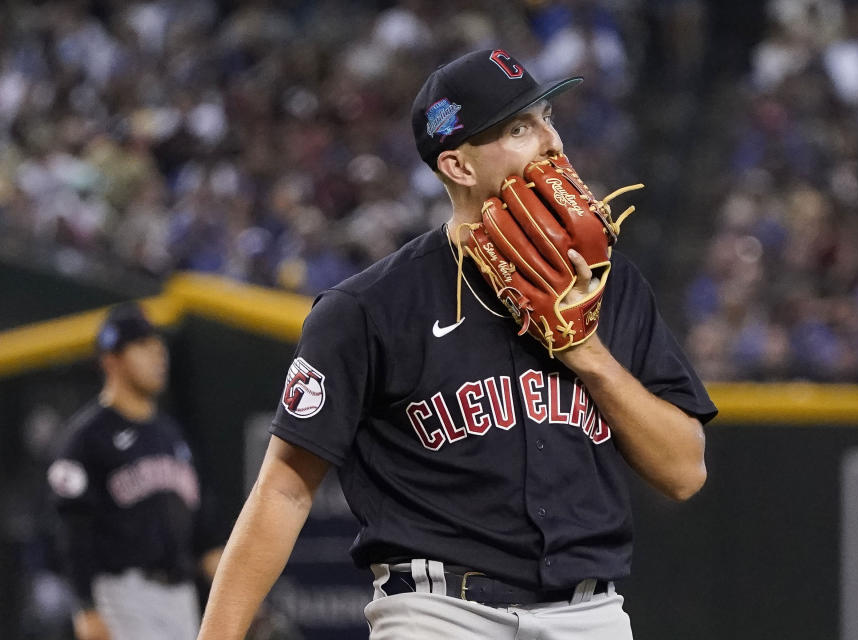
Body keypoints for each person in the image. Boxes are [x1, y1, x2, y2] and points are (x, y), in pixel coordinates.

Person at [198, 48, 717, 640]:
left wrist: (586, 353)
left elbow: (684, 471)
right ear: (459, 167)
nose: (553, 143)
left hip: (588, 613)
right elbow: (285, 489)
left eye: (548, 116)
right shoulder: (369, 310)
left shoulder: (612, 284)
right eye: (521, 128)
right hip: (439, 614)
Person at [46, 302, 222, 640]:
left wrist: (246, 595)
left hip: (182, 598)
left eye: (157, 343)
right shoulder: (84, 439)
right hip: (122, 596)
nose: (158, 354)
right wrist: (85, 607)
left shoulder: (171, 434)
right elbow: (71, 531)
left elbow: (204, 533)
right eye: (142, 345)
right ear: (110, 360)